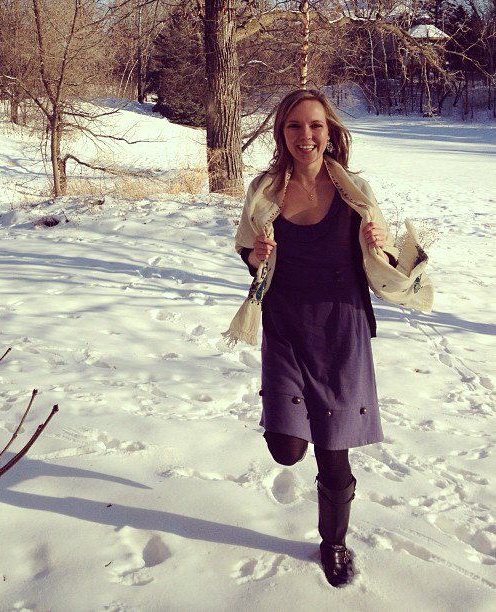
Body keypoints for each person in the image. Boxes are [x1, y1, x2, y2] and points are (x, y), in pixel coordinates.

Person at [223, 89, 433, 588]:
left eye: (315, 125)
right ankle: (295, 415)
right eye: (294, 126)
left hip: (341, 327)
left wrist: (377, 244)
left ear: (330, 131)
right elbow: (247, 249)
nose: (306, 136)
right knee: (286, 448)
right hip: (284, 325)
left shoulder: (354, 191)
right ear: (282, 133)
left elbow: (383, 260)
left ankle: (333, 543)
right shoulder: (264, 189)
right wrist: (255, 257)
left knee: (333, 451)